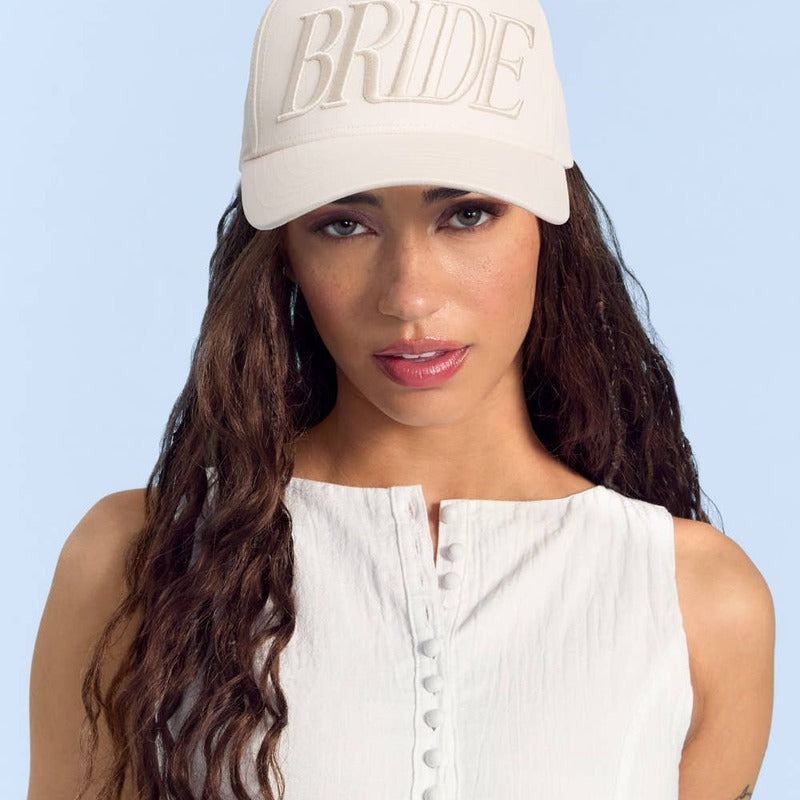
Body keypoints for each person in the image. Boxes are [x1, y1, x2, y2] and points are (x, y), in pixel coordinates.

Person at [28, 0, 775, 798]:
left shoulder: (698, 602)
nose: (410, 297)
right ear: (281, 256)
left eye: (468, 214)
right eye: (344, 225)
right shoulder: (139, 563)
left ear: (551, 227)